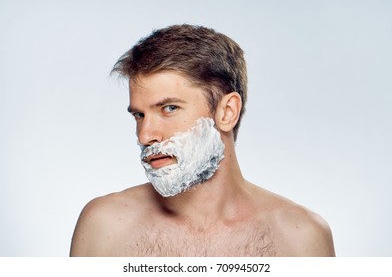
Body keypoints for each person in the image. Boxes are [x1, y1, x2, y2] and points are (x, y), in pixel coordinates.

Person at [70, 24, 335, 257]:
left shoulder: (301, 239)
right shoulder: (104, 227)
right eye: (139, 115)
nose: (145, 135)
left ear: (226, 112)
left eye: (169, 108)